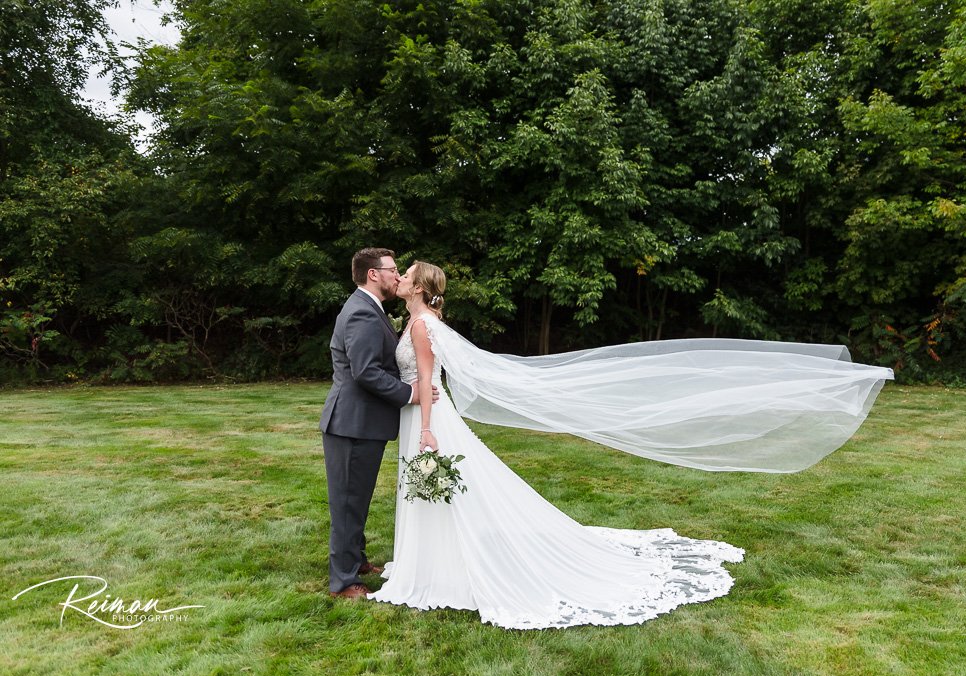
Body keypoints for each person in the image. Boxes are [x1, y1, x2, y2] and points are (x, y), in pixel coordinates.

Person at [368, 260, 894, 629]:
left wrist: (431, 429)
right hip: (426, 418)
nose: (402, 278)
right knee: (452, 495)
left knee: (445, 492)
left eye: (407, 275)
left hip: (428, 421)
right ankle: (434, 563)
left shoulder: (418, 325)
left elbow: (430, 384)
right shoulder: (428, 319)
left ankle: (438, 570)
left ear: (418, 287)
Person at [319, 248, 437, 600]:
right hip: (352, 424)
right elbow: (366, 371)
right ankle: (342, 582)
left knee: (357, 499)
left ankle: (355, 561)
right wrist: (409, 393)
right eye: (393, 269)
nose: (397, 275)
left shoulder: (370, 309)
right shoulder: (361, 313)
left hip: (362, 423)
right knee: (347, 502)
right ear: (374, 274)